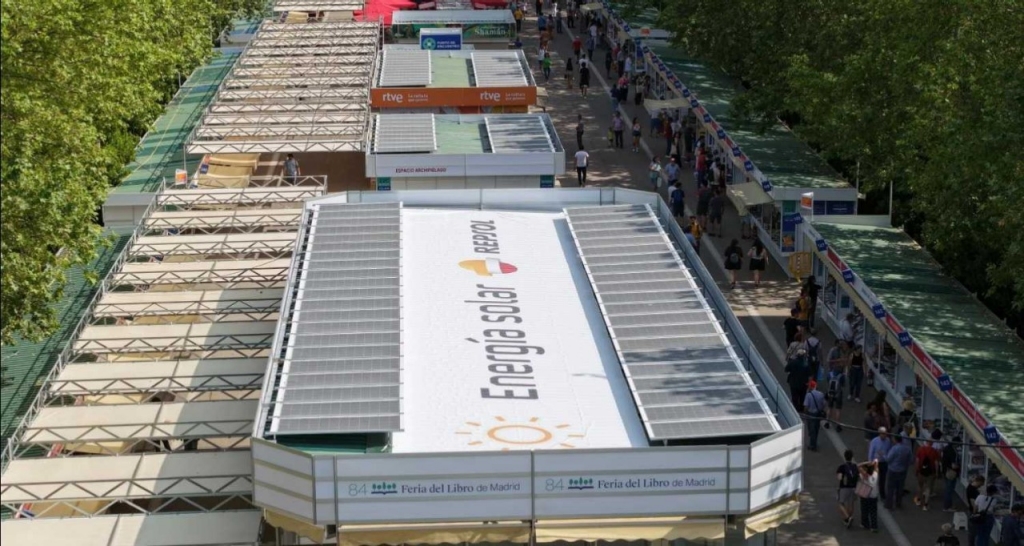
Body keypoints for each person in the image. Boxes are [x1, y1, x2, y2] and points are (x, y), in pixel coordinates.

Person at [885, 434, 914, 510]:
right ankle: (898, 503)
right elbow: (911, 460)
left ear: (895, 440)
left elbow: (888, 459)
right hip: (902, 471)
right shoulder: (907, 449)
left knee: (891, 488)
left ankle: (889, 504)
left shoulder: (894, 449)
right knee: (900, 488)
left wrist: (883, 456)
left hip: (893, 470)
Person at [868, 427, 893, 501]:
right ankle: (872, 492)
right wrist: (870, 461)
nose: (884, 436)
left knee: (883, 479)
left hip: (884, 462)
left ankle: (882, 494)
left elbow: (889, 451)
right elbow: (871, 452)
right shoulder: (874, 441)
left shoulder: (888, 441)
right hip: (876, 462)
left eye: (885, 434)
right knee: (874, 478)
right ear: (879, 433)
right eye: (882, 434)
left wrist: (885, 456)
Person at [915, 439, 940, 510]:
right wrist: (937, 472)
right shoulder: (934, 451)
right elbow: (936, 463)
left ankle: (919, 500)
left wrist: (917, 470)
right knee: (928, 488)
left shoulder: (920, 449)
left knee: (920, 486)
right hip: (930, 473)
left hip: (921, 471)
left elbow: (917, 460)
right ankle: (925, 505)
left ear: (926, 442)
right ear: (932, 443)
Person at [837, 449, 859, 527]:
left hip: (844, 487)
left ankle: (847, 517)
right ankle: (849, 518)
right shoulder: (855, 466)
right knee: (851, 504)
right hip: (853, 487)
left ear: (845, 456)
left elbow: (839, 478)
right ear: (852, 457)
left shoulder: (842, 467)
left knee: (841, 503)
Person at [803, 378, 827, 452]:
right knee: (816, 429)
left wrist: (805, 413)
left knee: (811, 429)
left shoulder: (808, 395)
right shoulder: (821, 394)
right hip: (818, 414)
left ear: (811, 387)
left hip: (811, 414)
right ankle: (814, 442)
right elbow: (824, 404)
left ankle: (812, 445)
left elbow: (806, 406)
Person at [858, 461, 880, 533]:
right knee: (873, 511)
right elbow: (876, 467)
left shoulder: (864, 476)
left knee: (864, 510)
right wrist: (874, 463)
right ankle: (874, 526)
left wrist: (866, 462)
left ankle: (865, 523)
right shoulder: (875, 474)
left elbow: (858, 466)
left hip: (865, 494)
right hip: (874, 496)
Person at [941, 436, 961, 512]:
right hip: (950, 472)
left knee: (948, 489)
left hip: (945, 471)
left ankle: (948, 505)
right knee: (949, 490)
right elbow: (953, 465)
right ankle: (947, 507)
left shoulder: (947, 448)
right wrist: (959, 466)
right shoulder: (952, 452)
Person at [824, 363, 845, 431]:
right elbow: (843, 385)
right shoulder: (842, 376)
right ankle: (838, 425)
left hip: (830, 393)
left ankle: (827, 422)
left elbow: (827, 382)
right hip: (838, 394)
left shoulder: (829, 374)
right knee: (838, 410)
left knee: (829, 408)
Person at [966, 475, 985, 546]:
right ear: (978, 482)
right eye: (981, 484)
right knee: (972, 532)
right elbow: (973, 503)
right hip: (973, 512)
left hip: (972, 512)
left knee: (972, 532)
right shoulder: (972, 490)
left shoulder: (970, 487)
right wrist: (975, 513)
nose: (980, 486)